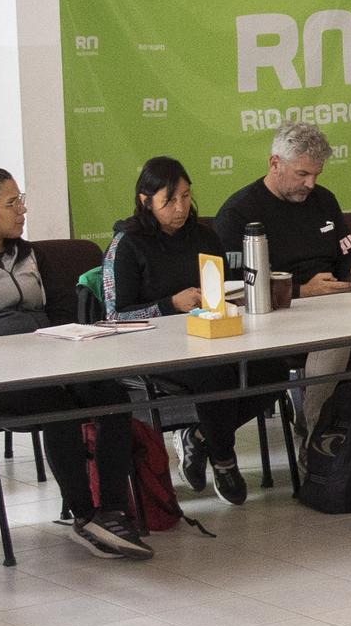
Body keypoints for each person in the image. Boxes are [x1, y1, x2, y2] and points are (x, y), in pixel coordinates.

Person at [0, 168, 146, 563]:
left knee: (112, 396)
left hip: (51, 363)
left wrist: (56, 344)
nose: (22, 210)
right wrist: (20, 348)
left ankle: (112, 509)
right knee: (58, 408)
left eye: (20, 200)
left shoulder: (31, 256)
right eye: (12, 203)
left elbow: (62, 313)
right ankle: (83, 515)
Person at [101, 154, 261, 506]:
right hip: (153, 347)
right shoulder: (127, 243)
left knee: (271, 367)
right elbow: (113, 316)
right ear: (146, 201)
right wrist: (169, 304)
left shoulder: (203, 236)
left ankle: (200, 436)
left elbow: (221, 287)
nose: (180, 208)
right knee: (216, 374)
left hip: (209, 335)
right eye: (169, 200)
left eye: (186, 197)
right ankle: (224, 460)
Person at [214, 122, 351, 300]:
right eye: (302, 174)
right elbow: (235, 288)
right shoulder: (237, 213)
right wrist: (303, 291)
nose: (310, 184)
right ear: (275, 164)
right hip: (275, 310)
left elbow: (347, 256)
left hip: (336, 301)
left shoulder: (325, 200)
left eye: (316, 175)